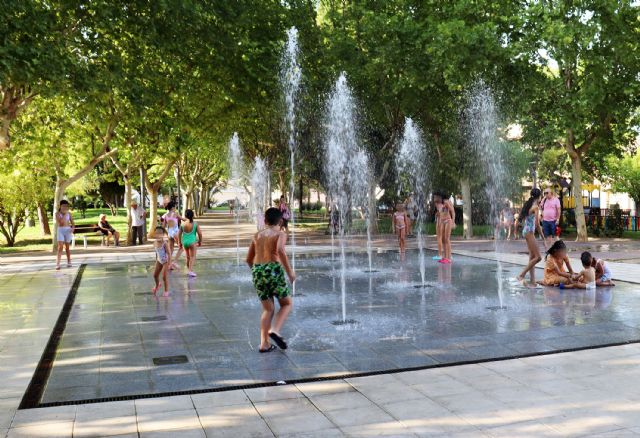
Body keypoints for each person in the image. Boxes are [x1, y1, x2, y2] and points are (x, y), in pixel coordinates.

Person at [246, 207, 296, 353]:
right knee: (286, 304)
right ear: (280, 221)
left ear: (265, 220)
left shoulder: (257, 235)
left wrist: (259, 274)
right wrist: (290, 272)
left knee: (268, 309)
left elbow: (248, 259)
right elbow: (280, 250)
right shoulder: (280, 234)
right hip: (273, 269)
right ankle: (274, 330)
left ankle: (264, 344)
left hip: (257, 270)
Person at [515, 188, 546, 286]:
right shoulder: (535, 207)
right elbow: (537, 224)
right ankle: (521, 275)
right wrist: (543, 238)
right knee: (538, 257)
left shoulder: (528, 204)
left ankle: (533, 282)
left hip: (526, 231)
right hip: (529, 232)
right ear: (539, 196)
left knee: (532, 257)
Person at [177, 209, 202, 277]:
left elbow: (179, 234)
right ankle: (190, 271)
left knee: (188, 257)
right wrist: (200, 241)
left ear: (185, 215)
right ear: (192, 215)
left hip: (185, 242)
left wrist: (179, 243)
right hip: (192, 242)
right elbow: (200, 233)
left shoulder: (183, 224)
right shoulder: (195, 224)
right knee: (192, 257)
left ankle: (189, 270)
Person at [161, 202, 184, 270]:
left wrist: (166, 233)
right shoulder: (175, 214)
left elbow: (163, 226)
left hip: (169, 233)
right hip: (175, 232)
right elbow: (183, 219)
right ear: (173, 208)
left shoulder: (166, 215)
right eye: (175, 207)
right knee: (181, 247)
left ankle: (169, 265)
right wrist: (190, 219)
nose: (175, 208)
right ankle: (175, 262)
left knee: (171, 249)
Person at [434, 191, 455, 264]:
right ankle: (445, 257)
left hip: (448, 221)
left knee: (447, 239)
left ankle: (449, 258)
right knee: (442, 239)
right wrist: (437, 214)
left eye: (436, 197)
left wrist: (453, 222)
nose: (435, 198)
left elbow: (452, 211)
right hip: (442, 222)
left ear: (440, 197)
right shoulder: (439, 204)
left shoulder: (446, 202)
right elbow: (441, 212)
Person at [55, 200, 74, 270]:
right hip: (61, 230)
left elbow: (72, 223)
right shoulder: (57, 214)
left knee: (67, 248)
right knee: (60, 247)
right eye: (63, 206)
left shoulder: (69, 214)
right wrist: (65, 214)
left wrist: (73, 228)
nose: (65, 207)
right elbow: (61, 223)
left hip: (68, 230)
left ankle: (69, 262)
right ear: (60, 206)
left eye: (66, 206)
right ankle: (57, 264)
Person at [152, 226, 171, 297]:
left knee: (164, 277)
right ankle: (157, 285)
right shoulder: (154, 243)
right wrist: (156, 261)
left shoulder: (165, 243)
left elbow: (169, 254)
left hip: (165, 261)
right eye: (156, 234)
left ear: (163, 235)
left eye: (160, 234)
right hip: (159, 261)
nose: (158, 235)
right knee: (155, 275)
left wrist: (169, 264)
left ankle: (166, 291)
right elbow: (157, 253)